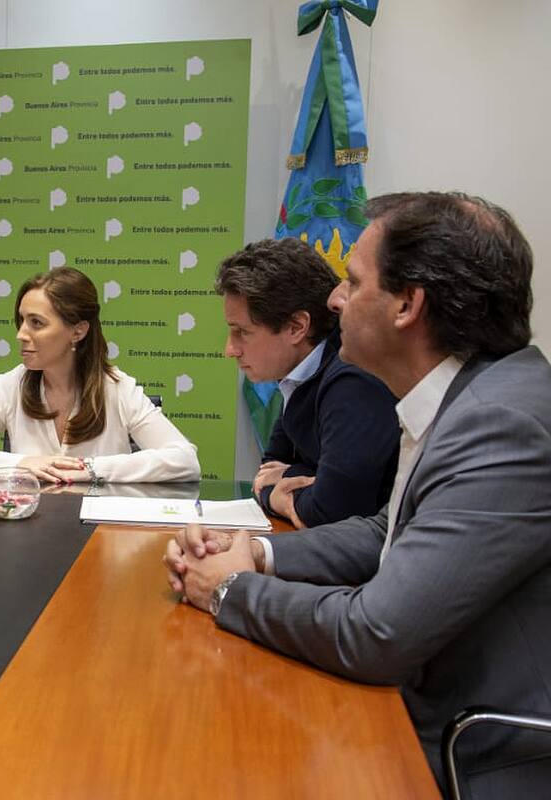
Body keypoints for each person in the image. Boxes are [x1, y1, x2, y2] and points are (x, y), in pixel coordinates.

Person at [164, 192, 551, 796]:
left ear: (407, 304)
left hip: (474, 755)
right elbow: (388, 531)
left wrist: (231, 589)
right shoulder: (470, 397)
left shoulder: (500, 424)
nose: (335, 299)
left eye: (352, 280)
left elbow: (377, 635)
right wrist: (254, 551)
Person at [0, 267, 199, 484]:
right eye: (22, 320)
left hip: (102, 540)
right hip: (28, 534)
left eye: (36, 323)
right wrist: (22, 463)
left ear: (78, 331)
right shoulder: (10, 386)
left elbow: (185, 460)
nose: (21, 335)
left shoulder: (118, 389)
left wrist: (92, 469)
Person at [217, 238, 398, 527]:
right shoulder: (301, 376)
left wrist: (279, 492)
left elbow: (333, 510)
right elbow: (267, 471)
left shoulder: (353, 378)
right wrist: (299, 478)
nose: (230, 349)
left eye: (242, 332)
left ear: (297, 327)